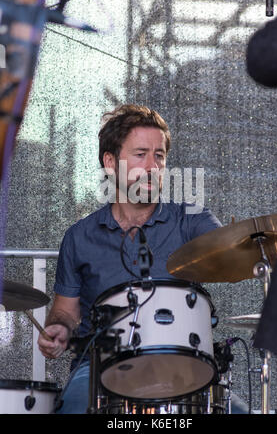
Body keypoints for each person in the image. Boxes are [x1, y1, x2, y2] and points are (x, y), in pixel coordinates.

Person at [38, 104, 248, 414]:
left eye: (159, 156)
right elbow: (66, 312)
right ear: (110, 162)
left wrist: (236, 247)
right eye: (140, 155)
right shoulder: (79, 236)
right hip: (98, 367)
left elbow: (229, 261)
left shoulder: (191, 220)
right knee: (73, 407)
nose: (152, 166)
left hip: (182, 363)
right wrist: (59, 328)